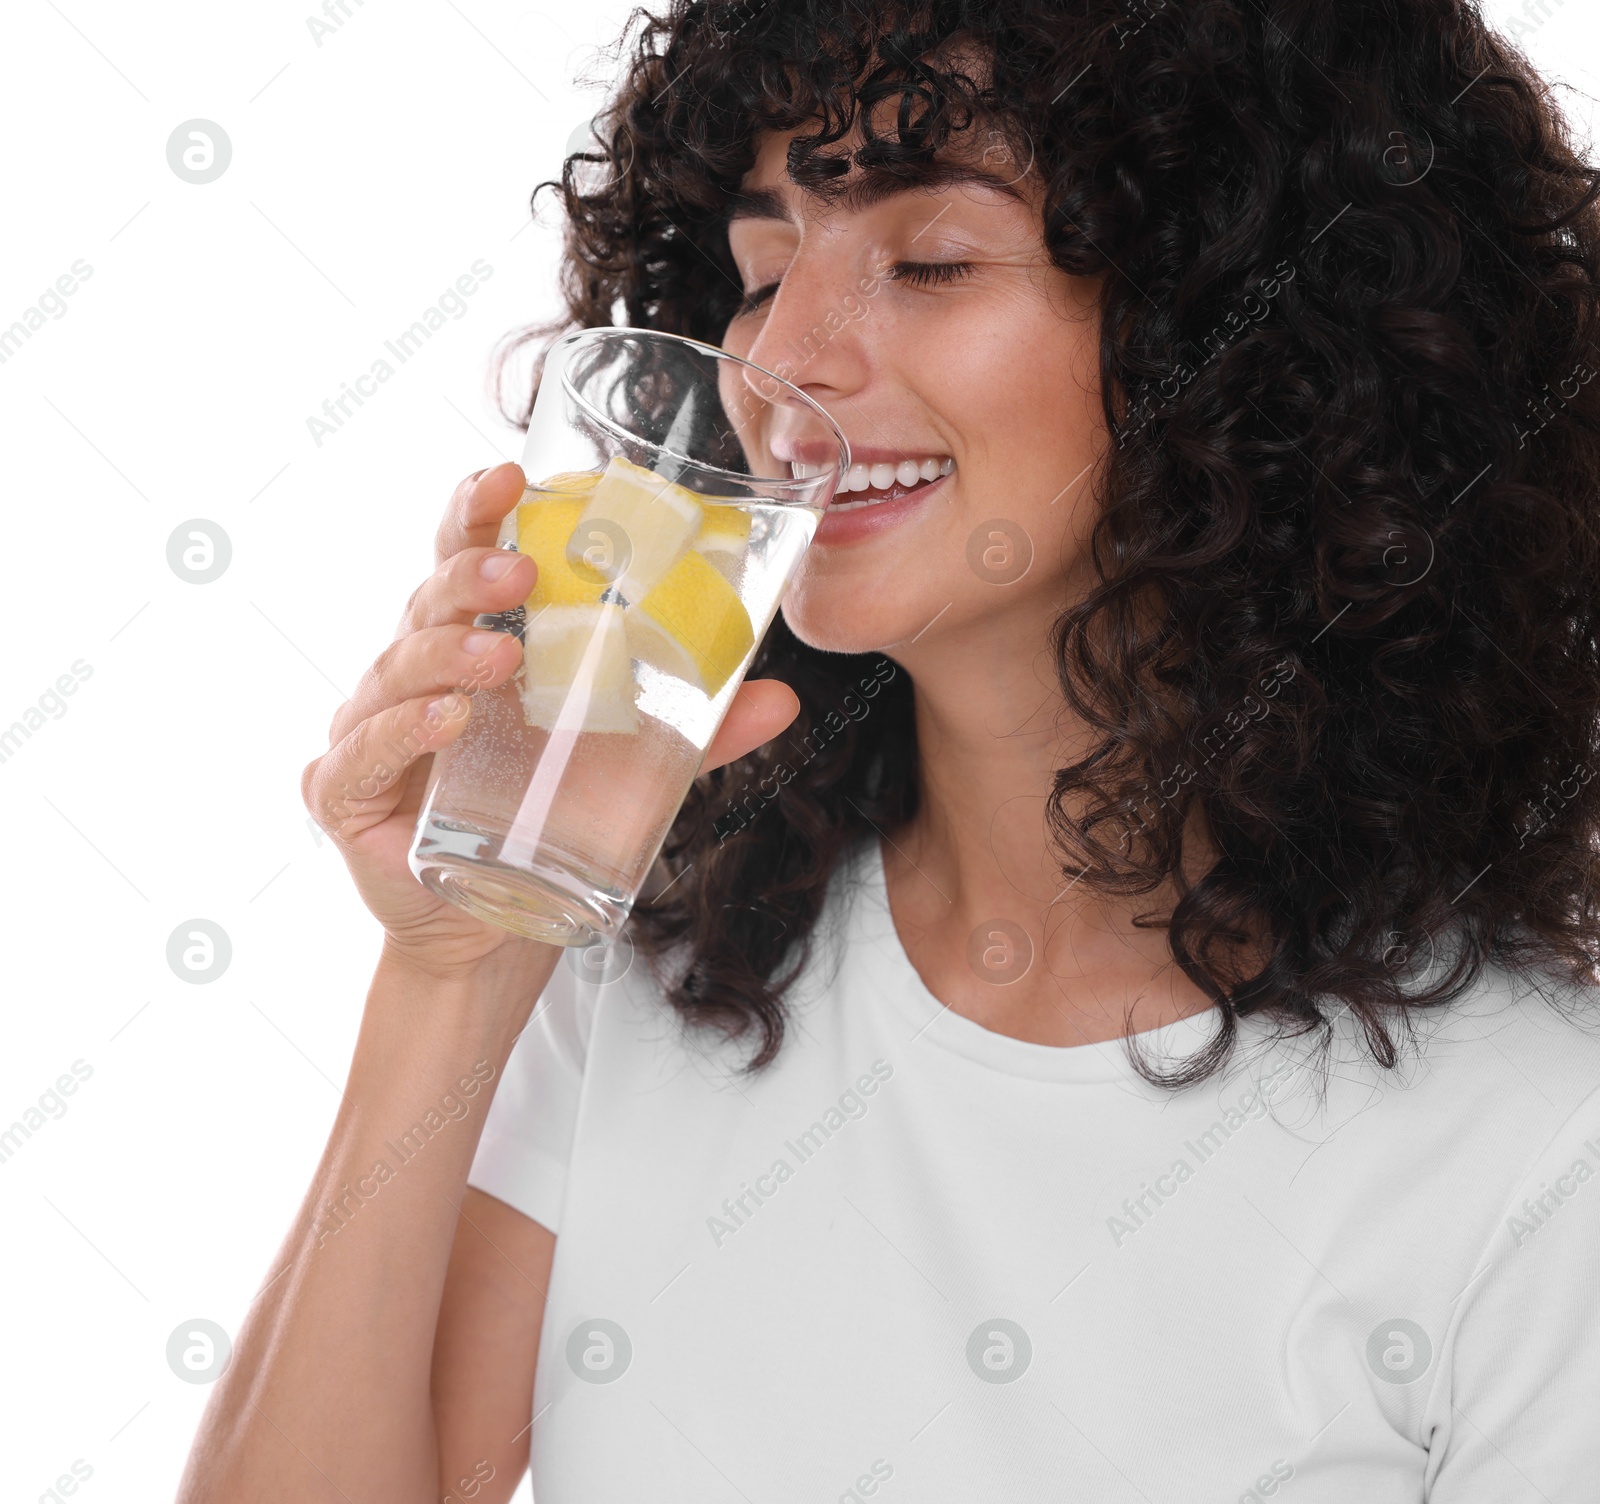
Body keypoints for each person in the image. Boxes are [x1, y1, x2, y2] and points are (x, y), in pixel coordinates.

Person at [179, 2, 1600, 1499]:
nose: (782, 363)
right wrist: (449, 973)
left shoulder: (1531, 1149)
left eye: (930, 263)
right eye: (763, 269)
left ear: (1253, 346)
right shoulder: (661, 957)